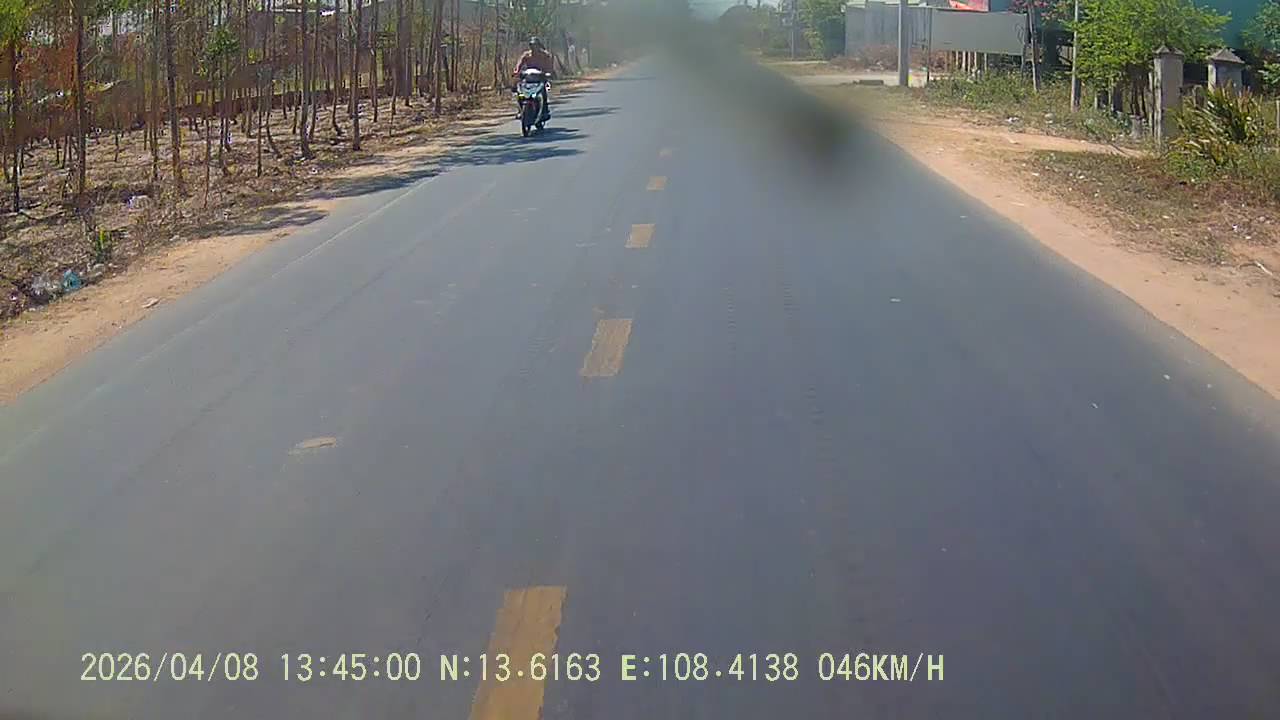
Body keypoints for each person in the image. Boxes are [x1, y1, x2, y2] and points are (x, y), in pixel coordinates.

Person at [513, 37, 555, 121]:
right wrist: (516, 71)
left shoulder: (545, 55)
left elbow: (549, 66)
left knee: (543, 91)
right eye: (532, 46)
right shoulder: (526, 55)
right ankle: (520, 110)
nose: (534, 48)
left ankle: (544, 110)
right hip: (528, 78)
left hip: (540, 78)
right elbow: (519, 65)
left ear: (539, 46)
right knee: (520, 93)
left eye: (535, 45)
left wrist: (549, 73)